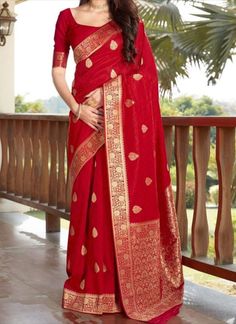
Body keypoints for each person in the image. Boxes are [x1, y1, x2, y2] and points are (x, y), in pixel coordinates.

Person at [52, 0, 184, 322]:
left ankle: (120, 286)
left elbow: (143, 73)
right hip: (85, 122)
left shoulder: (127, 18)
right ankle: (90, 284)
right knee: (87, 200)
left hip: (122, 122)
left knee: (118, 203)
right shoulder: (67, 18)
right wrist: (77, 107)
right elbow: (58, 70)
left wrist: (108, 93)